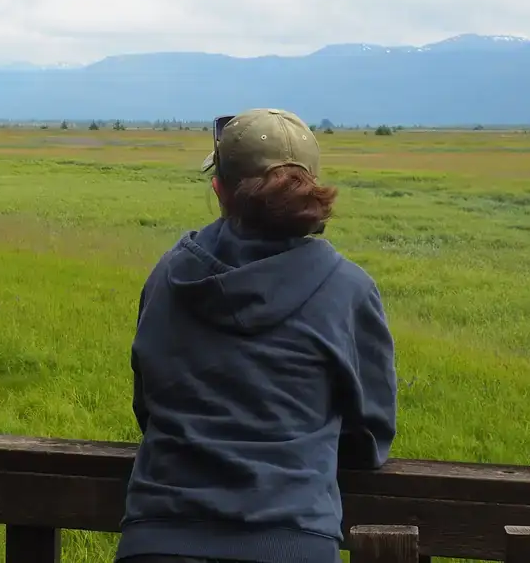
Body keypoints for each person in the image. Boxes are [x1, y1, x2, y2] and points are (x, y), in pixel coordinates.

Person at [115, 108, 398, 563]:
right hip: (291, 541)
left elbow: (148, 406)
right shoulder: (348, 289)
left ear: (219, 188)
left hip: (159, 539)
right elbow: (370, 437)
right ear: (306, 192)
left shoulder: (168, 275)